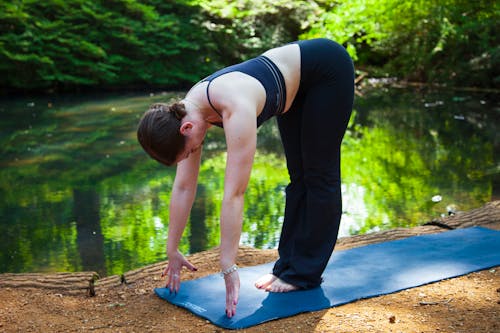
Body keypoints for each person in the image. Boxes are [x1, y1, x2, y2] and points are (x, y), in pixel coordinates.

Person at [137, 38, 354, 318]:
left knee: (319, 175)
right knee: (299, 177)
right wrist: (172, 248)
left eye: (189, 150)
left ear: (186, 128)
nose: (192, 153)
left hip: (327, 71)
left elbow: (235, 193)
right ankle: (288, 266)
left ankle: (303, 273)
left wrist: (228, 264)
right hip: (295, 87)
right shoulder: (185, 112)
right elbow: (183, 187)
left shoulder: (235, 107)